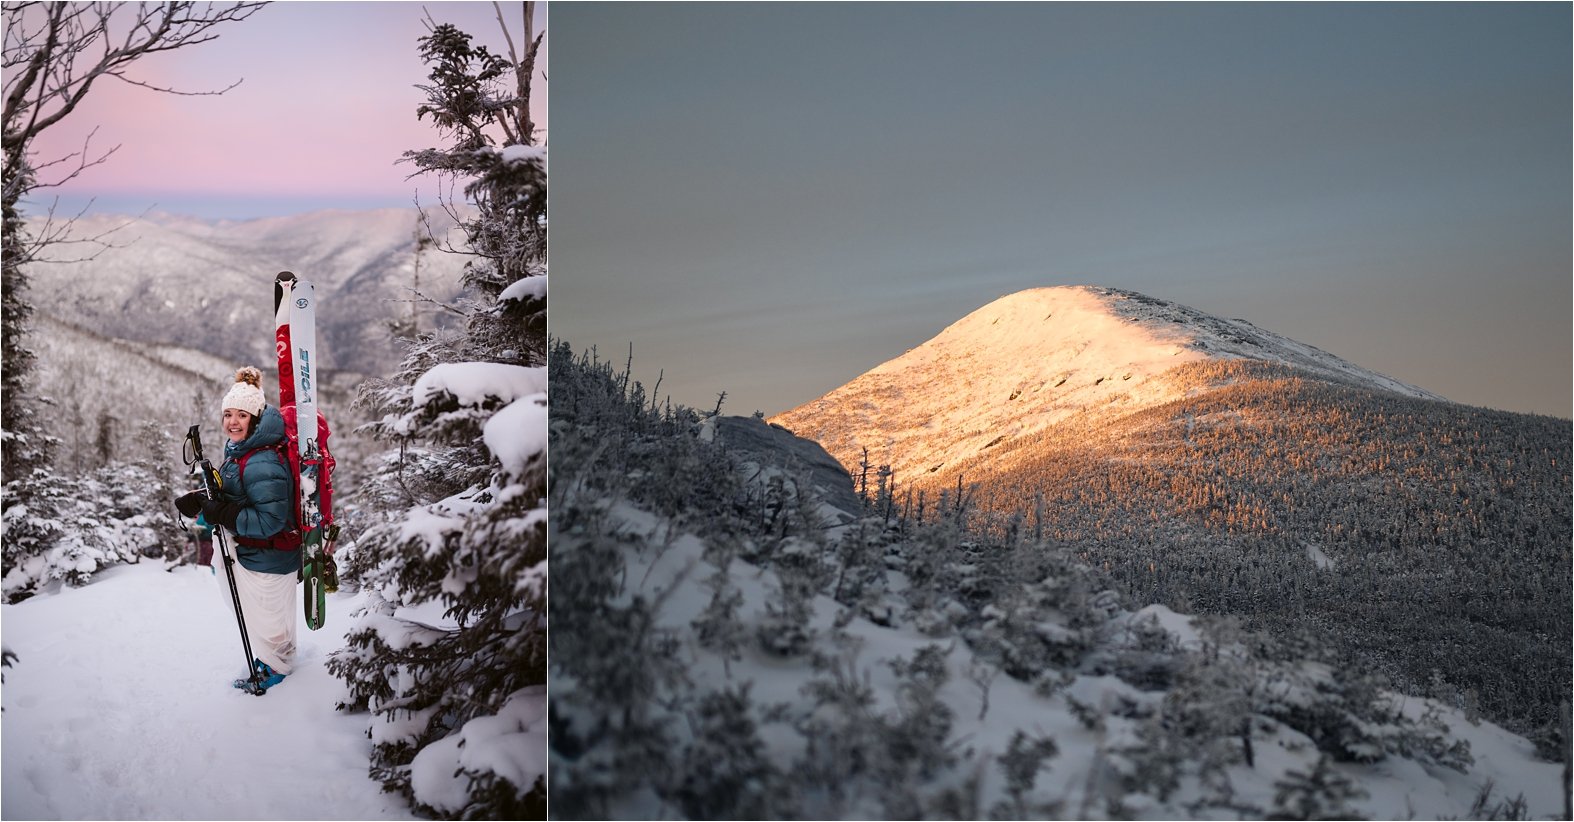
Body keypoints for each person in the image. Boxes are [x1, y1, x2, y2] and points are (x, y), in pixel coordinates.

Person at [175, 366, 298, 691]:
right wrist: (203, 502)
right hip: (257, 553)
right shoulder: (244, 451)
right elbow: (235, 495)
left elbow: (269, 520)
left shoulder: (262, 461)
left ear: (255, 419)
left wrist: (224, 512)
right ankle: (272, 658)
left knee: (270, 619)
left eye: (241, 415)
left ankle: (277, 670)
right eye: (228, 414)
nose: (232, 421)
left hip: (269, 556)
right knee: (264, 617)